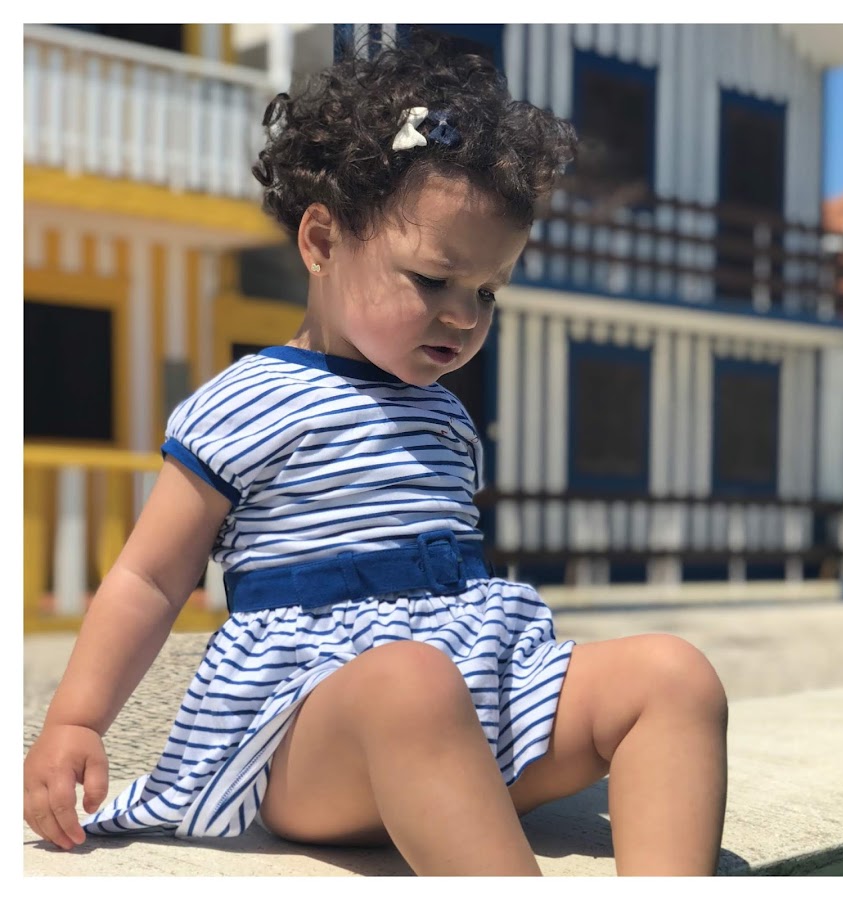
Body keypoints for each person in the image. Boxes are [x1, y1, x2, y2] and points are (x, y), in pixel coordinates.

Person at [23, 38, 728, 876]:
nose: (463, 316)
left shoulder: (446, 417)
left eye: (487, 291)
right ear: (322, 241)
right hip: (317, 737)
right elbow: (147, 579)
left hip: (475, 714)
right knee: (410, 683)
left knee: (675, 675)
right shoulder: (244, 400)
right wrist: (76, 720)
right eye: (432, 280)